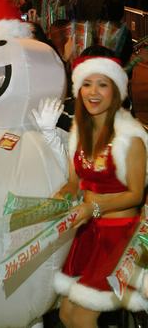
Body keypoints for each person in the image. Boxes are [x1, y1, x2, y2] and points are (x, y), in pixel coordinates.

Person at [54, 46, 148, 327]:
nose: (93, 92)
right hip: (89, 232)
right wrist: (61, 196)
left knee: (83, 316)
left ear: (116, 90)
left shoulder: (130, 136)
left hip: (120, 236)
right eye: (87, 84)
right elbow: (74, 182)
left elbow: (135, 195)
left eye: (102, 84)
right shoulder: (79, 132)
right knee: (66, 314)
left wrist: (93, 207)